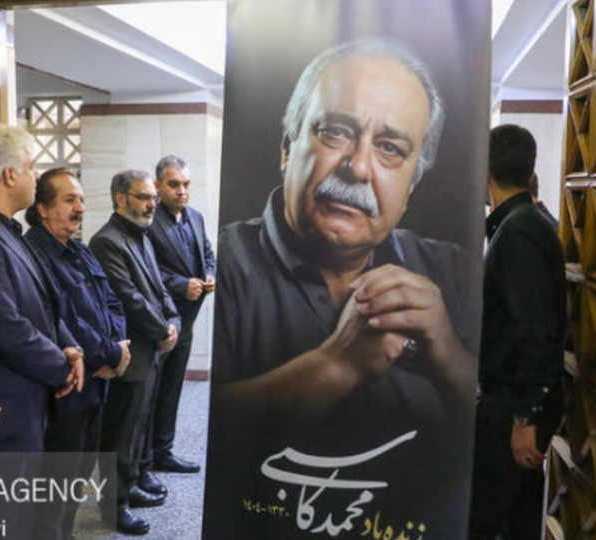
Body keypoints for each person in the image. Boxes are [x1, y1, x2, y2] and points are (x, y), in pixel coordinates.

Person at [204, 38, 479, 539]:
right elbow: (201, 428)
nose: (358, 166)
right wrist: (338, 365)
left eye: (390, 148)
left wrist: (450, 355)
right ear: (287, 147)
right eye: (336, 131)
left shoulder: (453, 271)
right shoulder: (222, 265)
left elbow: (490, 419)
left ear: (411, 185)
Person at [0, 124, 84, 454]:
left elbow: (41, 304)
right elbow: (3, 325)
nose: (36, 175)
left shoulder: (7, 229)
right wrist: (60, 366)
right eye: (31, 166)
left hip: (29, 396)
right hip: (5, 405)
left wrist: (68, 347)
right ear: (10, 175)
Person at [469, 124, 566, 540]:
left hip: (512, 405)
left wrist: (526, 416)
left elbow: (536, 330)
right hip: (513, 402)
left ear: (485, 171)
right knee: (517, 524)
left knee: (481, 522)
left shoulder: (519, 231)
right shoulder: (519, 223)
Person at [24, 168, 132, 540]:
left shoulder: (80, 250)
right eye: (69, 200)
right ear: (42, 208)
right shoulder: (34, 254)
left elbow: (112, 302)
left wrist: (117, 350)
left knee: (81, 472)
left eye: (82, 200)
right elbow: (63, 320)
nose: (80, 208)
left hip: (98, 381)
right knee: (57, 479)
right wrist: (108, 355)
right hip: (69, 384)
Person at [90, 169, 182, 536]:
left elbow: (158, 289)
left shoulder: (141, 234)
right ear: (120, 198)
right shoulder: (106, 241)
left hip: (151, 350)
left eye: (153, 198)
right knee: (120, 435)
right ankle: (113, 508)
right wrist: (162, 330)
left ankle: (128, 487)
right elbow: (129, 299)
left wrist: (172, 320)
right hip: (130, 353)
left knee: (139, 428)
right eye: (144, 197)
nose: (151, 204)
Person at [147, 154, 216, 474]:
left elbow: (208, 255)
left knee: (172, 390)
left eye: (186, 184)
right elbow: (145, 270)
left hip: (186, 321)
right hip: (158, 323)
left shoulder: (196, 217)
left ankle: (163, 451)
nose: (182, 191)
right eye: (174, 184)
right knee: (150, 393)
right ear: (158, 185)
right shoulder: (148, 221)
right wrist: (179, 285)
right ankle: (142, 459)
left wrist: (210, 274)